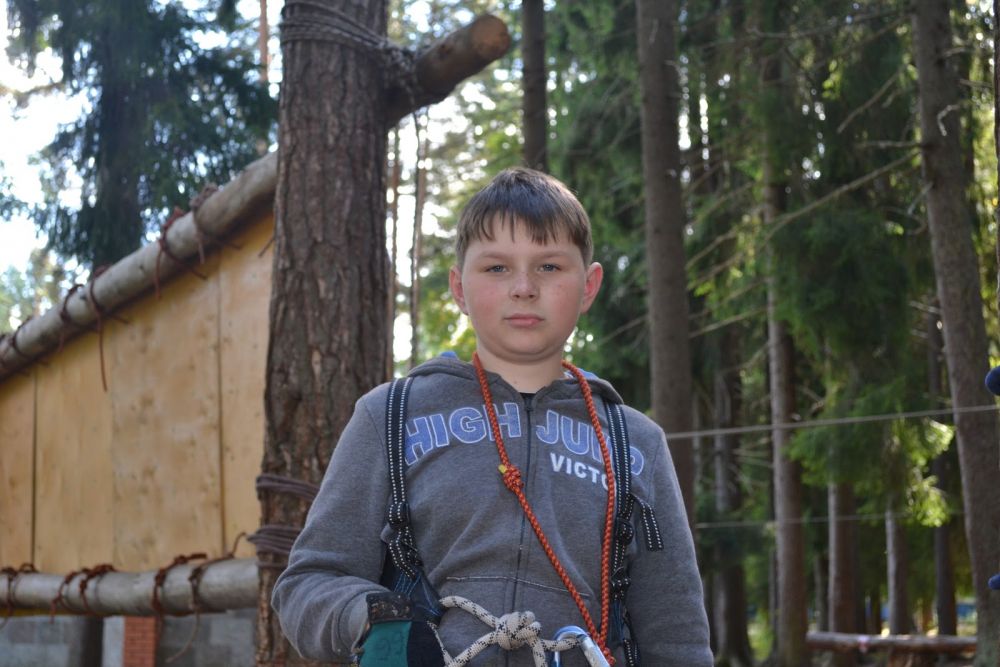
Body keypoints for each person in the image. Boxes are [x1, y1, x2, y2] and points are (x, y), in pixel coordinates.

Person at [271, 167, 712, 666]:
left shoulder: (636, 444)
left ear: (588, 286)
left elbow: (678, 639)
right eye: (497, 268)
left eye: (549, 266)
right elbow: (307, 584)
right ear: (459, 288)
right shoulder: (390, 416)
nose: (524, 287)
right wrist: (371, 617)